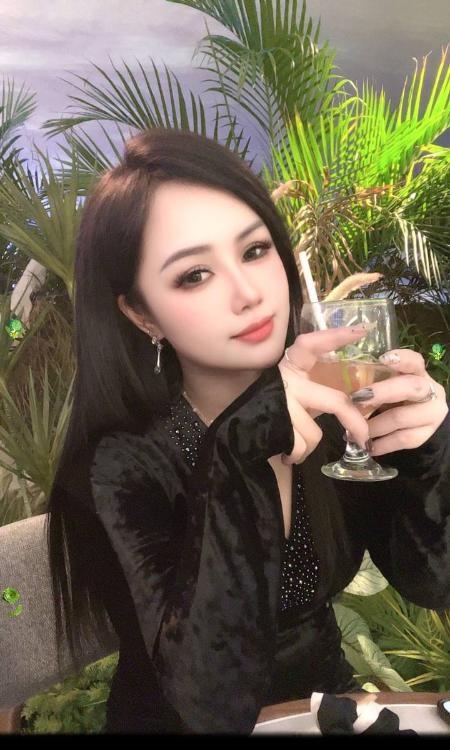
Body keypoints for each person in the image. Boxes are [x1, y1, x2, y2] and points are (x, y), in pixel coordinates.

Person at [48, 129, 449, 734]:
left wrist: (428, 451)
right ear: (142, 313)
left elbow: (432, 581)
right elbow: (206, 700)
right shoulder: (119, 463)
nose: (248, 294)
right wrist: (242, 447)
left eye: (256, 250)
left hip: (324, 712)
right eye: (194, 275)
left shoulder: (331, 410)